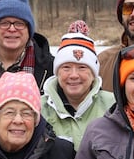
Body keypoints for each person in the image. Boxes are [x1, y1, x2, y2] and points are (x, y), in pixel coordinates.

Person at [41, 20, 115, 151]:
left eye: (82, 67)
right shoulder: (39, 108)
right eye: (66, 67)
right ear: (57, 72)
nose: (74, 75)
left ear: (93, 74)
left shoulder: (113, 106)